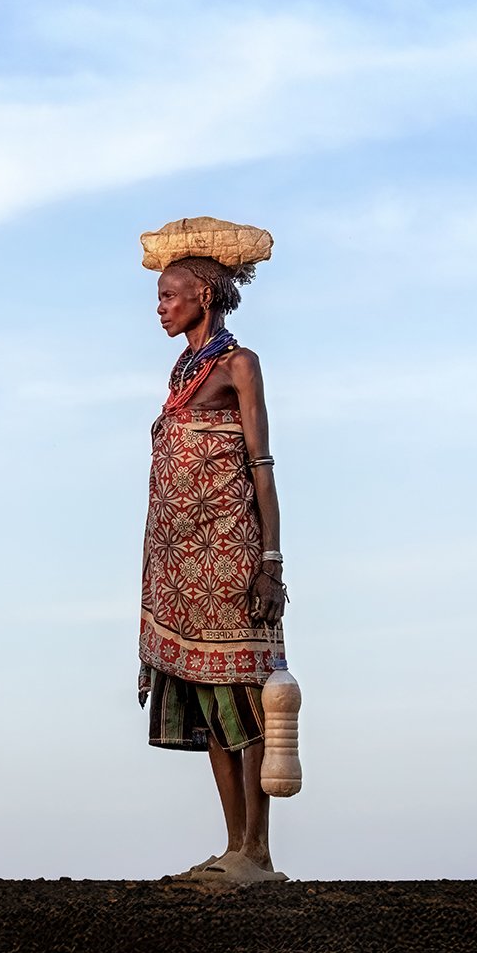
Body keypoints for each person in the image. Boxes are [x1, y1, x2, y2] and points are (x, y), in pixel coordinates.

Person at [141, 249, 288, 886]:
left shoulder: (238, 365)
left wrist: (271, 564)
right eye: (158, 296)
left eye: (171, 294)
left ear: (204, 294)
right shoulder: (182, 374)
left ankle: (258, 851)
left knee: (244, 702)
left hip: (231, 558)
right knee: (210, 708)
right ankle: (235, 847)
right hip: (181, 568)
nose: (161, 306)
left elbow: (260, 465)